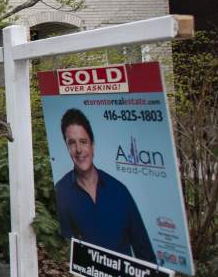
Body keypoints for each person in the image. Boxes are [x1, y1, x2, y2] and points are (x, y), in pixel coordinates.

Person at [53, 107, 156, 264]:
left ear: (92, 145)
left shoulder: (120, 191)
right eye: (72, 143)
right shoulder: (61, 191)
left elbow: (145, 252)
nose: (79, 149)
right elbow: (65, 248)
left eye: (83, 141)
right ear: (67, 147)